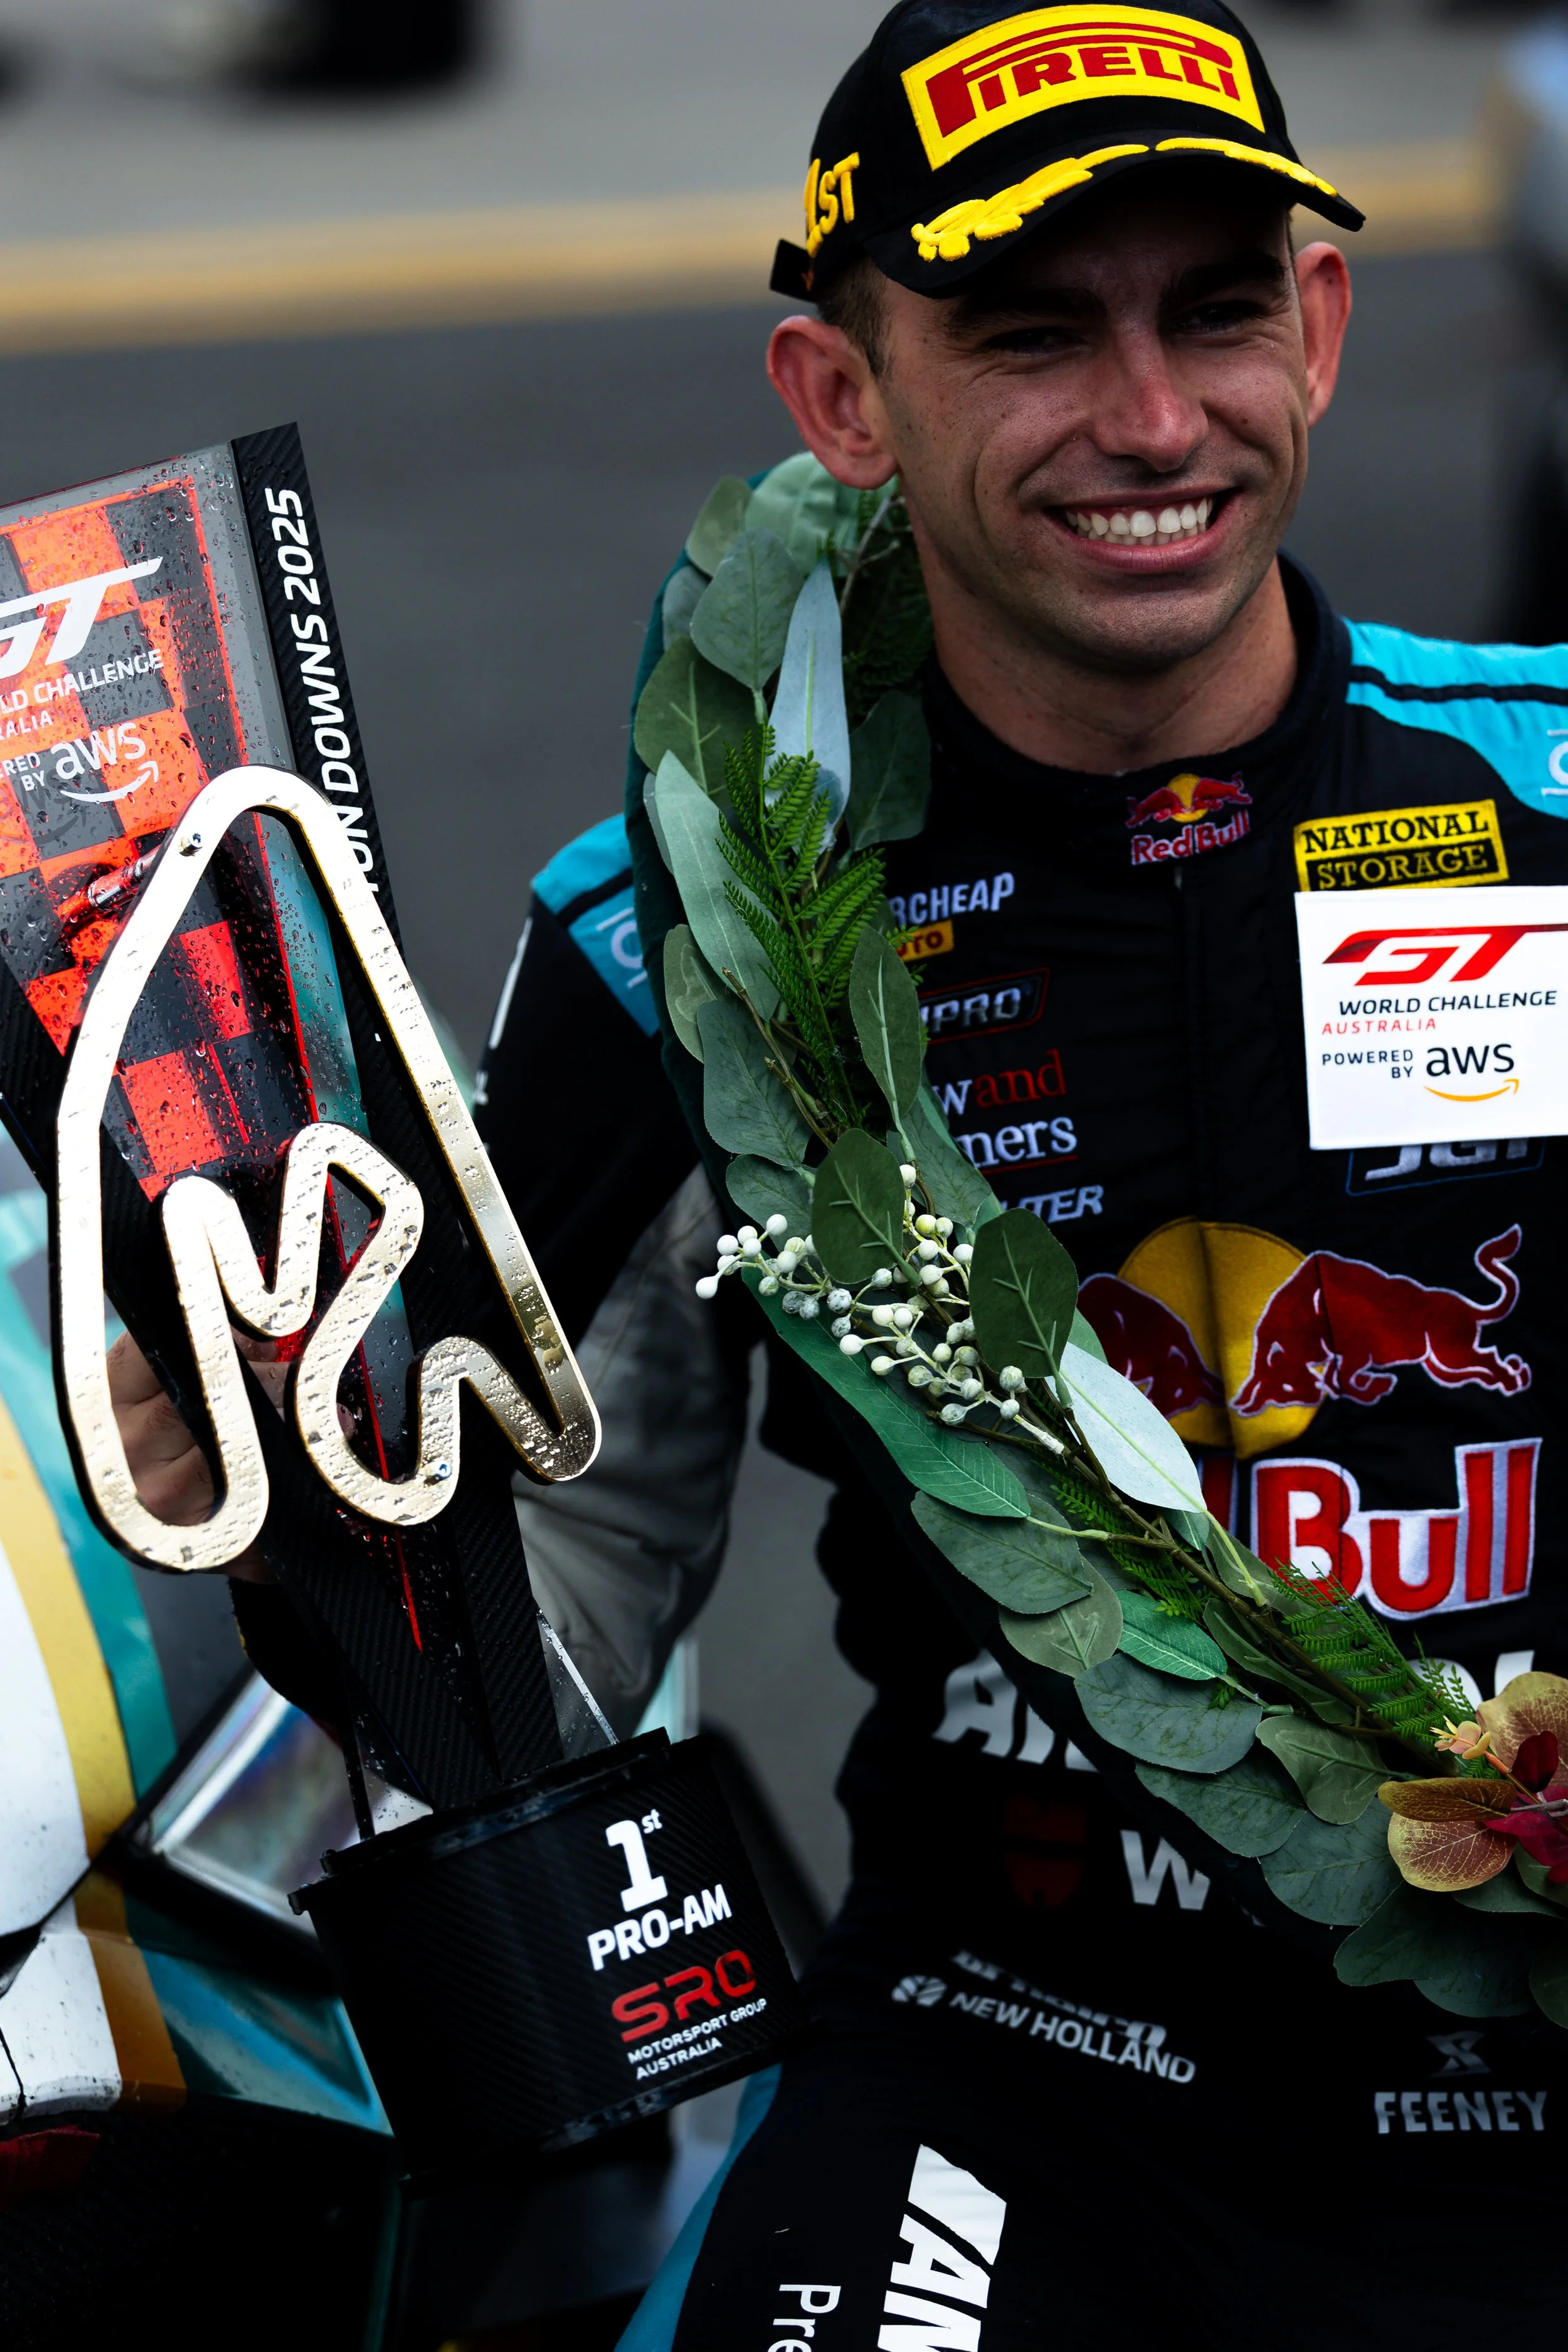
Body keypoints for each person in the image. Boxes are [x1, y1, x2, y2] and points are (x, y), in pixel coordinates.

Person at [111, 3, 1568, 2342]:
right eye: (1024, 335)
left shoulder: (1551, 814)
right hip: (1016, 2074)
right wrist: (324, 1498)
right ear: (839, 400)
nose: (1150, 421)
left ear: (1318, 326)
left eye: (1213, 311)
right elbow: (569, 1577)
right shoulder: (675, 937)